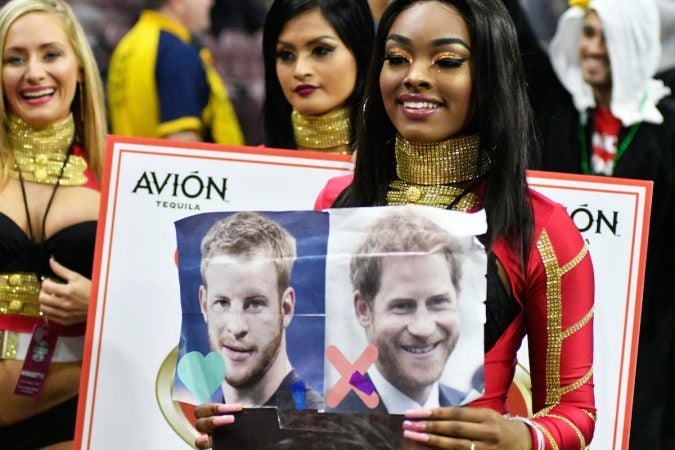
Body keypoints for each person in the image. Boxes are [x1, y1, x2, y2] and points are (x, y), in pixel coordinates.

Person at [197, 0, 596, 449]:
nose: (414, 76)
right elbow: (313, 375)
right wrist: (244, 417)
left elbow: (574, 411)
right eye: (396, 58)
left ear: (491, 74)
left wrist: (523, 438)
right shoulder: (337, 202)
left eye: (446, 61)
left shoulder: (541, 230)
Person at [503, 0, 675, 447]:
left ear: (633, 43)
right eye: (585, 33)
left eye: (603, 36)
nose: (590, 48)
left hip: (648, 326)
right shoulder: (559, 111)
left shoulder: (665, 128)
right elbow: (515, 32)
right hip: (560, 306)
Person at [0, 0, 106, 448]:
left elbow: (163, 310)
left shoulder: (118, 179)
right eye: (14, 58)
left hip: (69, 416)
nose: (33, 72)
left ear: (79, 69)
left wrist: (100, 304)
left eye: (51, 54)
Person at [332, 209, 476, 414]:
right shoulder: (323, 425)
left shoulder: (472, 410)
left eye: (438, 302)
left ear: (457, 297)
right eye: (402, 306)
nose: (423, 328)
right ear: (363, 310)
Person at [197, 212, 322, 410]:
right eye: (222, 303)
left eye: (254, 304)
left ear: (286, 308)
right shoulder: (198, 421)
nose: (236, 327)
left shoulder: (320, 426)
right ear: (204, 305)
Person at [107, 0, 244, 144]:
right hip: (178, 166)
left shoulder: (128, 45)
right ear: (176, 3)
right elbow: (183, 141)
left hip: (134, 164)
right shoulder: (176, 53)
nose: (210, 3)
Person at [262, 0, 374, 155]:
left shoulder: (393, 170)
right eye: (286, 54)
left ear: (361, 53)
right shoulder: (252, 169)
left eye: (320, 50)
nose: (300, 71)